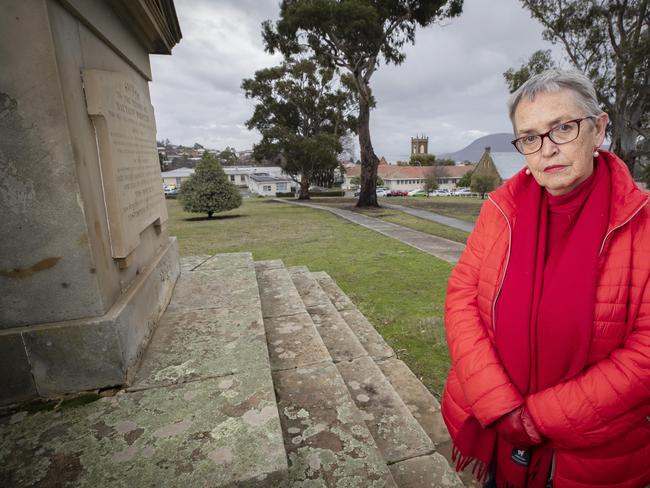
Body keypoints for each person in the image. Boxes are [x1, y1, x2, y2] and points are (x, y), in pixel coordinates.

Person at [441, 69, 649, 488]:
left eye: (563, 129)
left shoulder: (641, 223)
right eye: (530, 137)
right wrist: (499, 407)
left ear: (600, 129)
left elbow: (645, 354)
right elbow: (462, 299)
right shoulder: (501, 211)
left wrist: (537, 419)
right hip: (499, 434)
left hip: (593, 459)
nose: (547, 150)